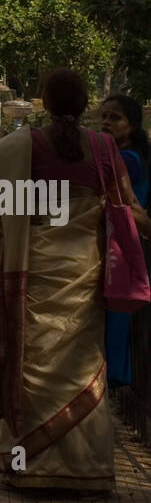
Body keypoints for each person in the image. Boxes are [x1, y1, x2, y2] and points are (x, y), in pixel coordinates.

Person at [0, 67, 151, 496]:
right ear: (84, 105)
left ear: (45, 103)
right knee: (82, 368)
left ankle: (29, 467)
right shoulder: (104, 148)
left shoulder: (22, 146)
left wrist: (25, 200)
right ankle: (87, 470)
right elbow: (126, 209)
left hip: (32, 279)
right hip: (84, 280)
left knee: (31, 368)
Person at [100, 95, 151, 389]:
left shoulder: (127, 160)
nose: (106, 122)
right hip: (124, 240)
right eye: (104, 116)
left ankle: (114, 376)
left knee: (116, 312)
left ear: (131, 126)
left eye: (115, 118)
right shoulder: (126, 155)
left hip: (123, 243)